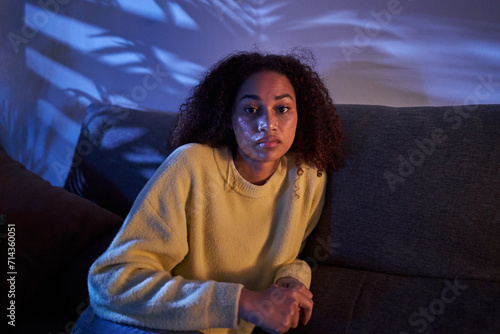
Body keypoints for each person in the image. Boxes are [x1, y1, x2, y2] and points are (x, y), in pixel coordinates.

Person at [74, 50, 344, 334]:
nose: (268, 124)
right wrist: (241, 300)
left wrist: (290, 280)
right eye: (250, 110)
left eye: (282, 108)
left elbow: (291, 257)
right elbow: (111, 284)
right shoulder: (191, 165)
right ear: (228, 116)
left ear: (301, 115)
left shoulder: (307, 175)